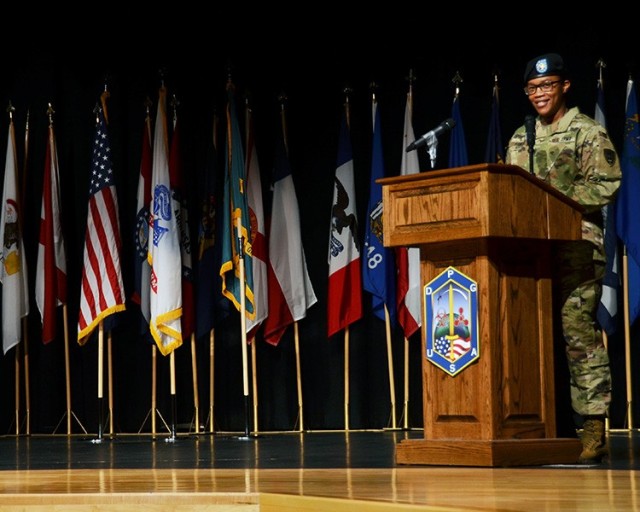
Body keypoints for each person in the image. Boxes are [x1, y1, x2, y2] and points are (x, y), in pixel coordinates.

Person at [505, 53, 622, 464]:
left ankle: (592, 427)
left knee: (577, 335)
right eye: (533, 88)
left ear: (564, 86)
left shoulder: (587, 132)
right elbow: (508, 192)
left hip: (575, 246)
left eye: (548, 86)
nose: (540, 94)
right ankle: (532, 423)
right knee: (524, 335)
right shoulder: (521, 137)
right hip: (529, 253)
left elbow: (606, 185)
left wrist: (556, 205)